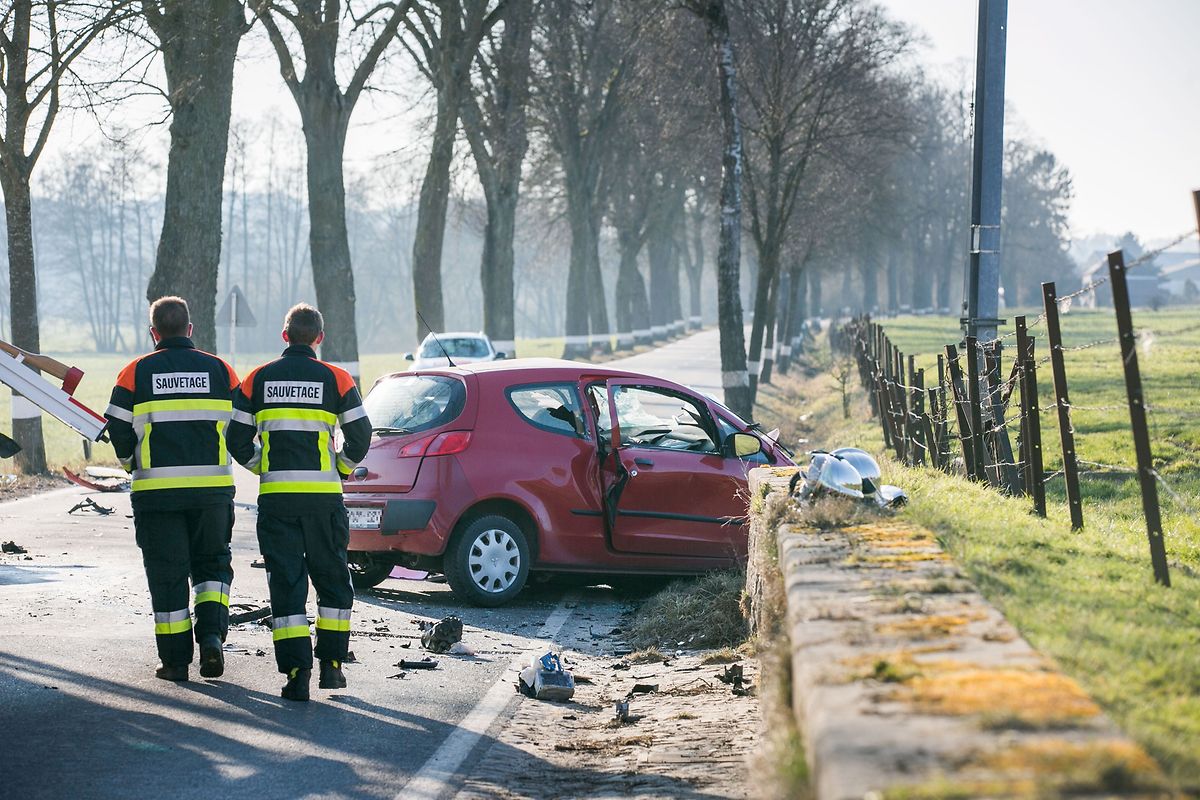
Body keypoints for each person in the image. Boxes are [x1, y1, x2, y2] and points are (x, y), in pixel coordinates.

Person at [227, 303, 371, 701]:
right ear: (319, 338)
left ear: (284, 335)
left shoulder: (258, 378)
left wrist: (263, 467)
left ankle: (296, 673)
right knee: (333, 583)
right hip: (324, 500)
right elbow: (361, 436)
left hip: (278, 501)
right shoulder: (337, 379)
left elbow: (236, 439)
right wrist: (339, 468)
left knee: (287, 588)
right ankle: (332, 666)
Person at [105, 296, 238, 682]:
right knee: (212, 565)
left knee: (167, 575)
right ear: (190, 329)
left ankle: (176, 662)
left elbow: (116, 426)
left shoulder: (135, 372)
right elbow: (243, 424)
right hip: (212, 492)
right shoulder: (221, 370)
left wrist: (131, 461)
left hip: (157, 493)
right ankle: (211, 636)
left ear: (153, 333)